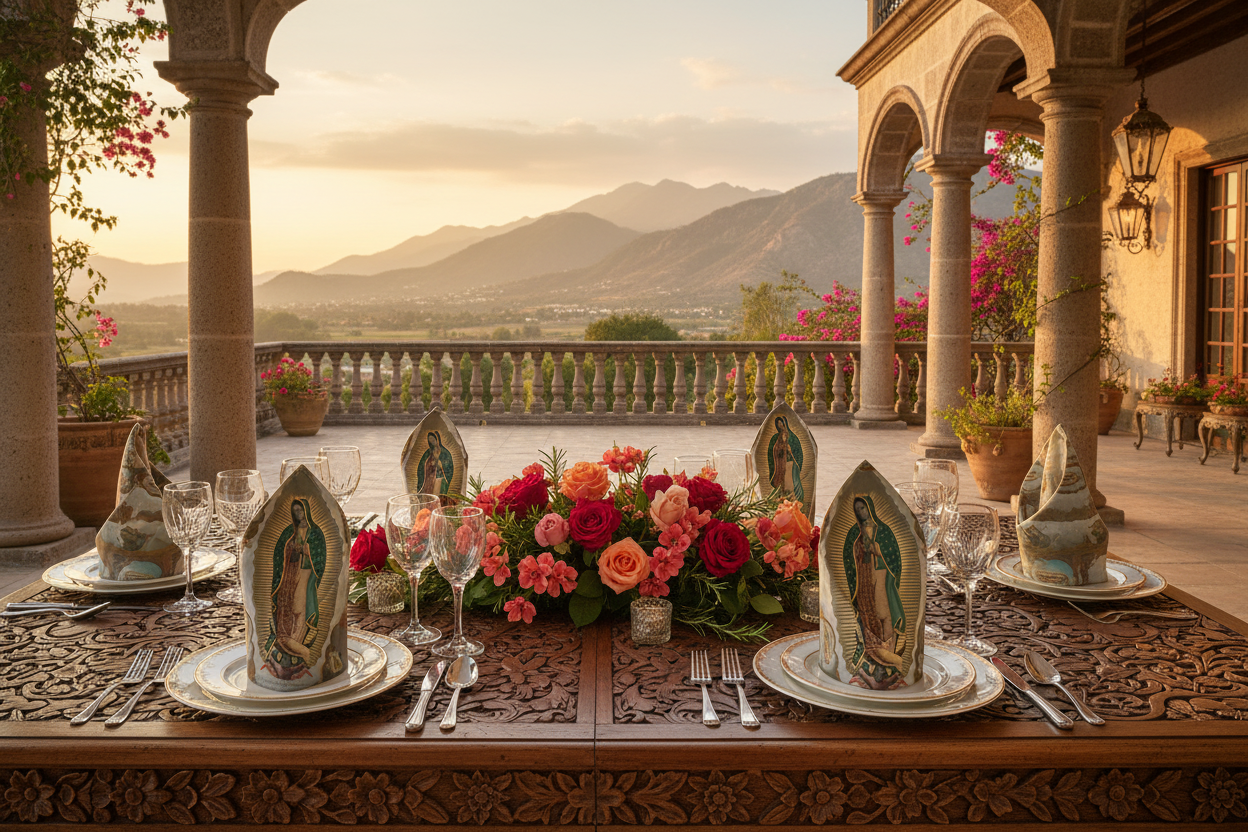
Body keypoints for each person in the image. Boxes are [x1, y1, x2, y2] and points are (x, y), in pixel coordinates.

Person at [843, 496, 908, 689]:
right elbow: (849, 558)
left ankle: (888, 661)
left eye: (863, 508)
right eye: (858, 510)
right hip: (864, 581)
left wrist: (877, 550)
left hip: (882, 578)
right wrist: (859, 549)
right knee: (869, 619)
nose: (861, 512)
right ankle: (876, 663)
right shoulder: (855, 533)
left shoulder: (885, 531)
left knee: (886, 616)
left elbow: (894, 558)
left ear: (870, 508)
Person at [264, 499, 327, 681]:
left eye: (300, 510)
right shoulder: (288, 532)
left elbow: (320, 557)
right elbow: (279, 554)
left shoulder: (315, 532)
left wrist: (307, 550)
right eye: (295, 511)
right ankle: (287, 642)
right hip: (288, 576)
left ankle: (299, 646)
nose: (298, 514)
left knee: (299, 609)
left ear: (306, 511)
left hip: (306, 576)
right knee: (286, 607)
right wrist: (291, 550)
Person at [767, 415, 804, 505]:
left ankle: (792, 499)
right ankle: (781, 498)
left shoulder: (792, 437)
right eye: (778, 425)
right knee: (781, 482)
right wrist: (778, 449)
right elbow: (773, 450)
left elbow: (797, 451)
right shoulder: (776, 437)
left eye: (782, 424)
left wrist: (789, 449)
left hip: (790, 463)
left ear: (785, 424)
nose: (781, 426)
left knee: (789, 482)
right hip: (780, 464)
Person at [418, 431, 453, 497]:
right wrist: (430, 465)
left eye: (433, 439)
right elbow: (422, 466)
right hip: (429, 478)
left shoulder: (445, 452)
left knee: (436, 496)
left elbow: (448, 466)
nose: (432, 442)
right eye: (430, 441)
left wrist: (439, 463)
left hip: (440, 478)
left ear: (437, 439)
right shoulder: (428, 453)